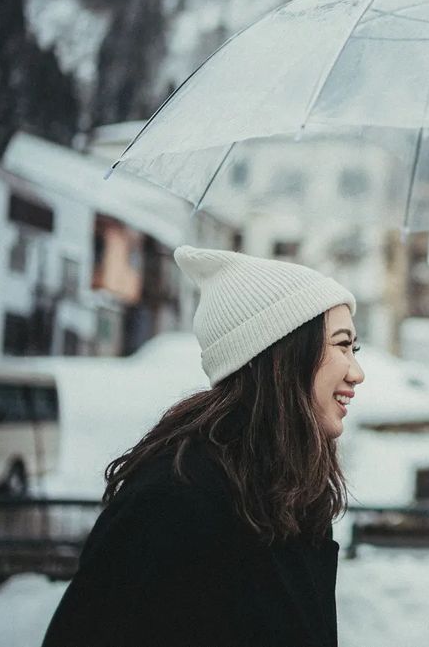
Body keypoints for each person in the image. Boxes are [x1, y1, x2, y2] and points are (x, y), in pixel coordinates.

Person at [43, 246, 364, 647]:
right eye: (341, 344)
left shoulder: (289, 489)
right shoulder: (175, 496)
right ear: (282, 354)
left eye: (355, 348)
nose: (357, 372)